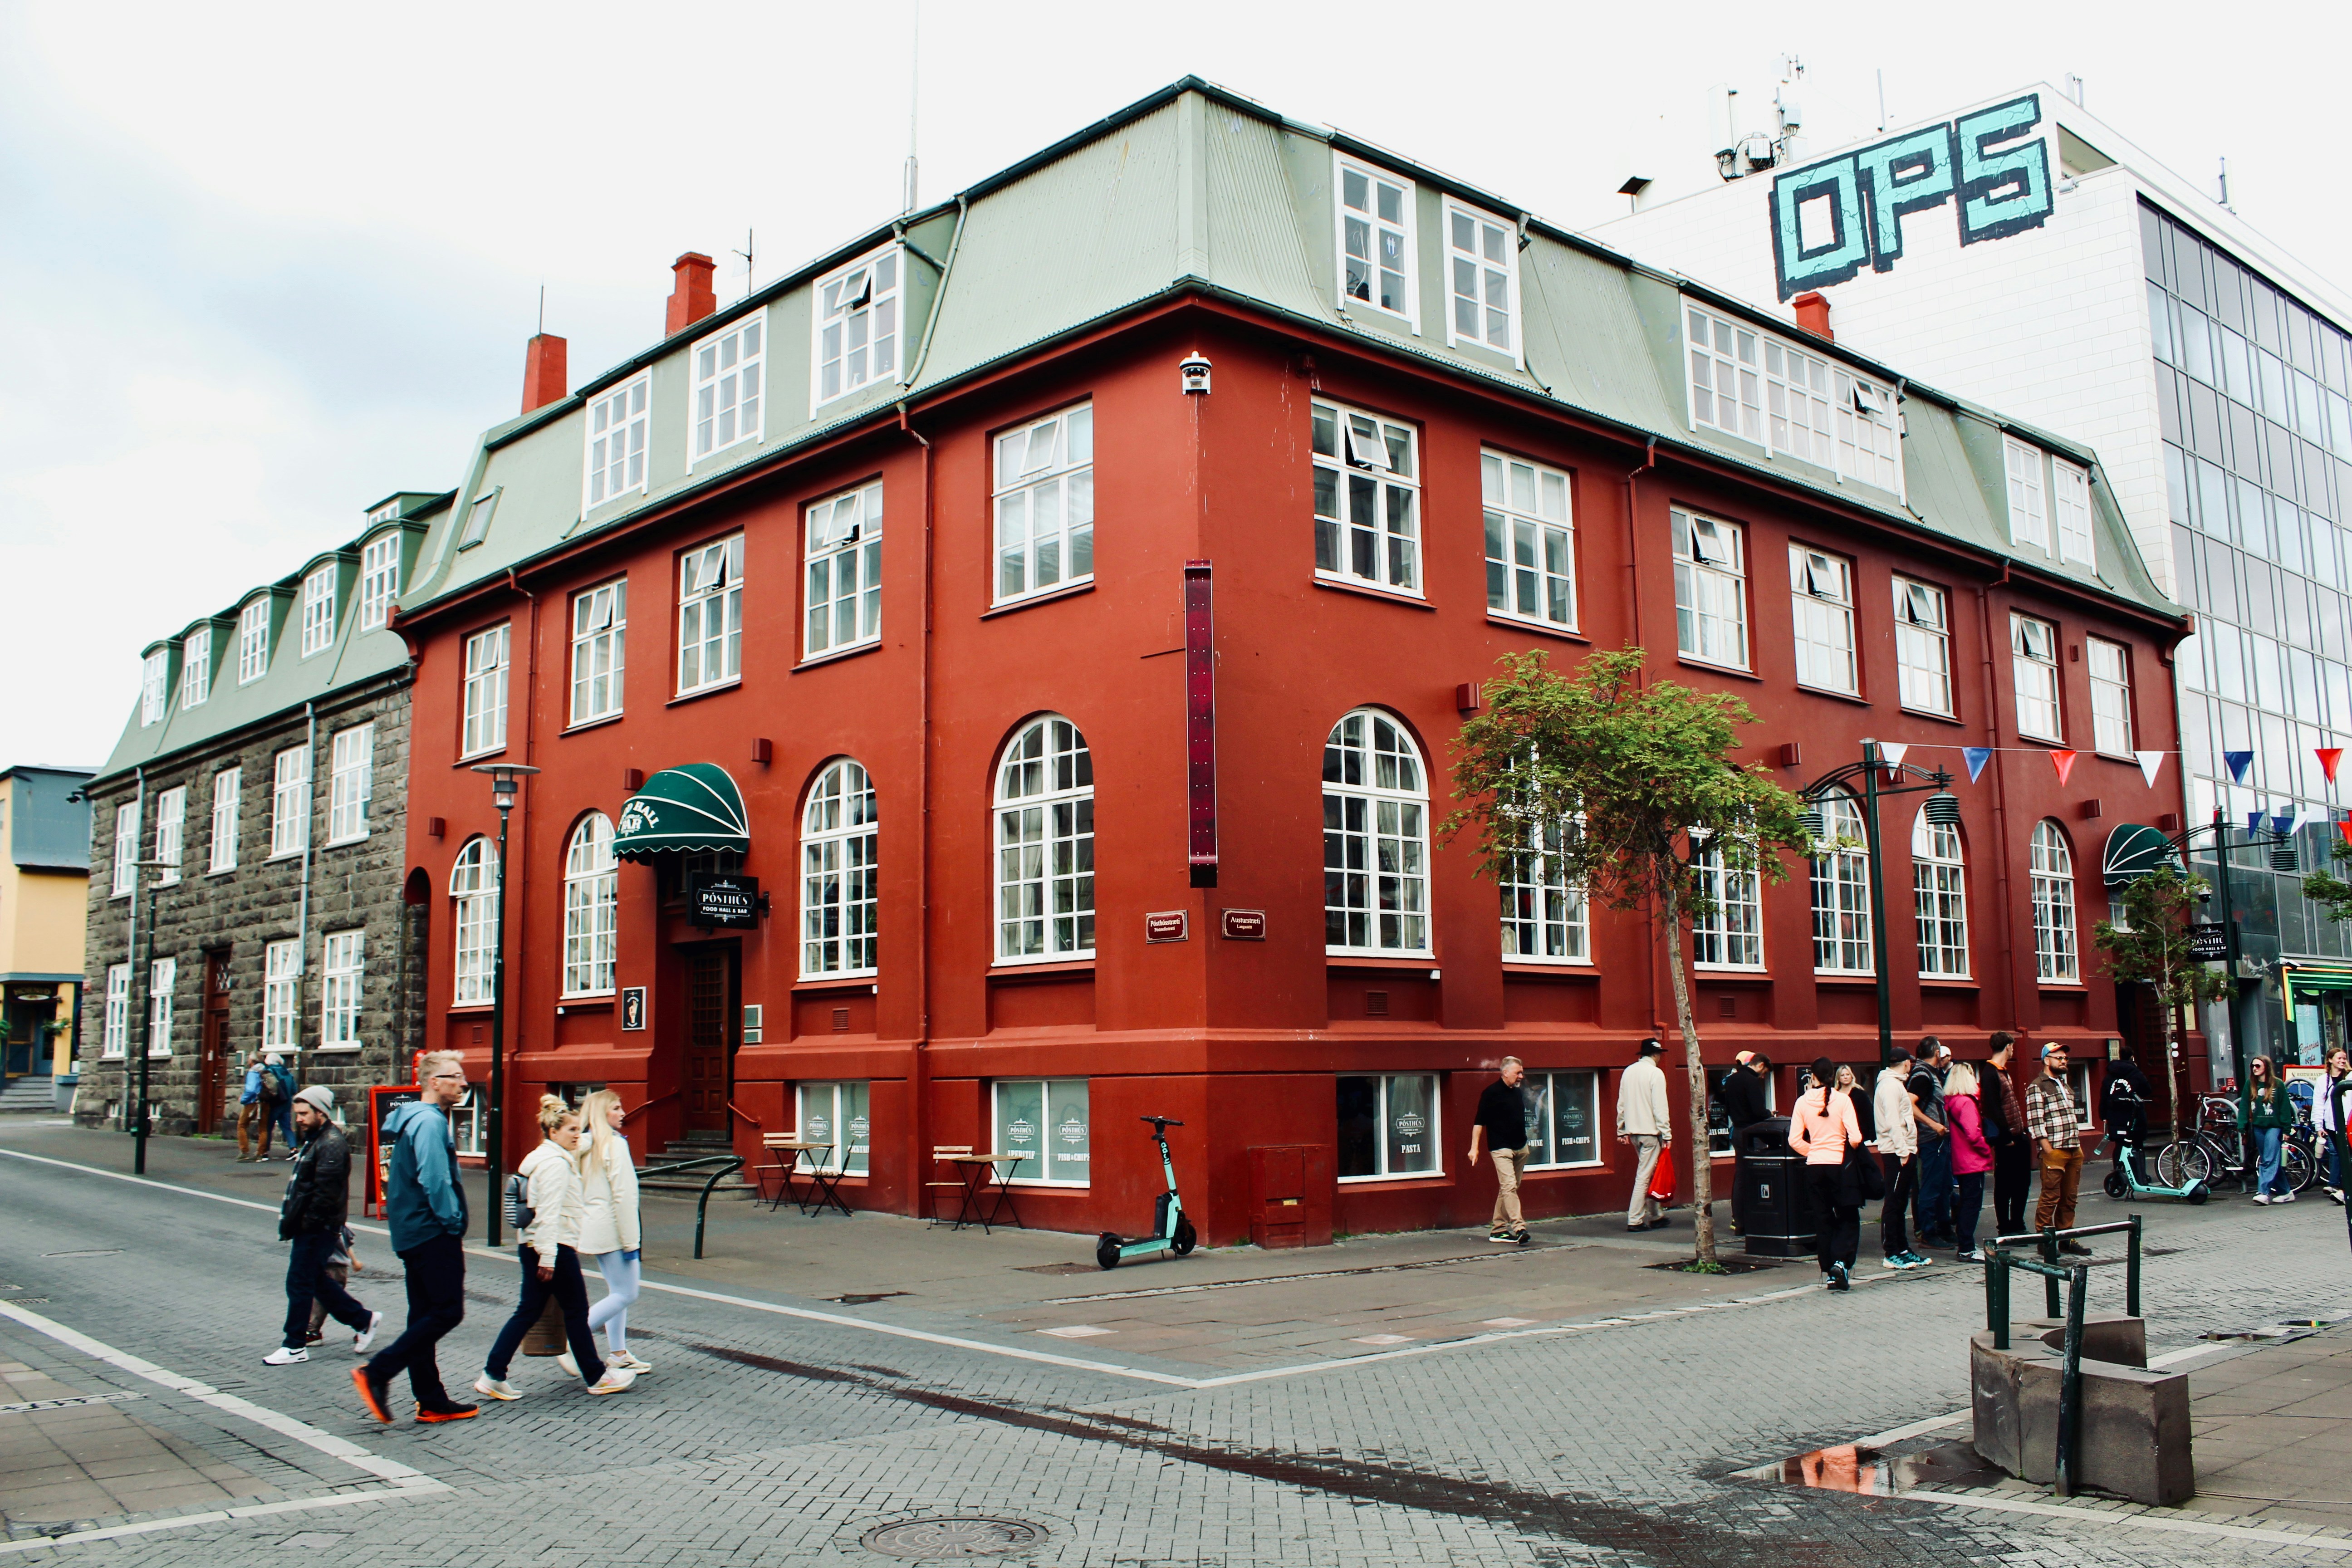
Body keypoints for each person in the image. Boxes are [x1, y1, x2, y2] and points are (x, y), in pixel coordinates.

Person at [475, 1097, 635, 1400]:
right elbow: (548, 1213)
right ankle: (597, 1376)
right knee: (575, 1311)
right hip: (553, 1247)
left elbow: (586, 1143)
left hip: (536, 1245)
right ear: (553, 1132)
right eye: (572, 1130)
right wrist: (549, 1257)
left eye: (579, 1129)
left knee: (528, 1311)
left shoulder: (546, 1157)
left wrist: (598, 1126)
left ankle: (493, 1374)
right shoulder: (556, 1166)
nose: (578, 1135)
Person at [355, 1051, 477, 1424]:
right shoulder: (429, 1121)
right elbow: (434, 1178)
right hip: (431, 1231)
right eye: (454, 1076)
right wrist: (453, 1220)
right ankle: (377, 1373)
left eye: (462, 1076)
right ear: (434, 1082)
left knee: (424, 1314)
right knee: (447, 1311)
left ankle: (431, 1399)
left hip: (411, 1231)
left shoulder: (412, 1118)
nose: (463, 1082)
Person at [266, 1087, 380, 1365]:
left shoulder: (331, 1143)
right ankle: (364, 1320)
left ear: (321, 1113)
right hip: (314, 1225)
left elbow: (325, 1194)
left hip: (318, 1227)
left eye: (305, 1114)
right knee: (315, 1280)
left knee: (299, 1282)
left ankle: (294, 1345)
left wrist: (306, 1224)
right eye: (298, 1114)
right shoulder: (317, 1138)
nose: (300, 1120)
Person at [571, 1088, 651, 1371]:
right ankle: (573, 1340)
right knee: (627, 1294)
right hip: (614, 1229)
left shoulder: (584, 1143)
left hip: (592, 1226)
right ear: (601, 1113)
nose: (622, 1113)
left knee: (616, 1292)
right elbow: (625, 1196)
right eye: (616, 1108)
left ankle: (618, 1354)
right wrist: (632, 1241)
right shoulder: (615, 1145)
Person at [1786, 1057, 1864, 1290]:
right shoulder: (1843, 1100)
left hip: (1815, 1167)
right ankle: (1842, 1262)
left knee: (1823, 1219)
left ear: (1813, 1076)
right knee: (1848, 1216)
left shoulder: (1801, 1102)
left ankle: (1829, 1270)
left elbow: (1794, 1140)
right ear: (1834, 1075)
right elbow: (1857, 1137)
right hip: (1840, 1167)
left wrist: (1813, 1152)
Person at [2026, 1043, 2090, 1252]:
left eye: (2066, 1059)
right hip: (2055, 1149)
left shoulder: (2064, 1084)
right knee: (2050, 1196)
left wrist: (2078, 1146)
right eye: (2059, 1058)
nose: (2064, 1061)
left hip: (2073, 1147)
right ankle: (2044, 1240)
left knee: (2070, 1196)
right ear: (2047, 1060)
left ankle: (2067, 1238)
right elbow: (2035, 1121)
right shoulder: (2038, 1085)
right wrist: (2048, 1149)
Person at [1467, 1057, 1534, 1246]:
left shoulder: (1518, 1093)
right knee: (1509, 1186)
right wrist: (1475, 1148)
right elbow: (1479, 1122)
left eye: (1522, 1072)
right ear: (1505, 1073)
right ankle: (1519, 1227)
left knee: (1509, 1188)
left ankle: (1498, 1230)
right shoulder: (1491, 1093)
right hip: (1500, 1148)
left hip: (1520, 1147)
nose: (1521, 1076)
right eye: (1518, 1073)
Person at [1872, 1049, 1925, 1269]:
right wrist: (1904, 1152)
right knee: (1894, 1203)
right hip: (1897, 1151)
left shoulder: (1893, 1084)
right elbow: (1894, 1122)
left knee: (1900, 1202)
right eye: (1909, 1063)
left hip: (1903, 1149)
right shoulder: (1890, 1086)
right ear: (1905, 1064)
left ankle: (1902, 1249)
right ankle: (1891, 1252)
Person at [1615, 1039, 1671, 1232]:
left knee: (1649, 1173)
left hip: (1634, 1132)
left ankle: (1656, 1215)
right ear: (1656, 1055)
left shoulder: (1629, 1071)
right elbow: (1660, 1107)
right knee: (1644, 1176)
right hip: (1651, 1132)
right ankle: (1635, 1220)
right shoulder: (1656, 1073)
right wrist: (1667, 1134)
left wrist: (1621, 1129)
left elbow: (1621, 1104)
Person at [1982, 1033, 2034, 1237]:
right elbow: (1992, 1109)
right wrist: (2006, 1138)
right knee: (2004, 1185)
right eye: (2012, 1046)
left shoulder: (2003, 1072)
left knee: (2022, 1183)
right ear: (2008, 1047)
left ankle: (2017, 1224)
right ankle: (2005, 1227)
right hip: (2008, 1139)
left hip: (2018, 1135)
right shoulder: (1990, 1073)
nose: (2013, 1050)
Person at [1945, 1063, 1995, 1262]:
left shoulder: (1952, 1102)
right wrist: (1986, 1150)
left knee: (1967, 1202)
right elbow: (1973, 1134)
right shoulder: (1966, 1103)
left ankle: (1966, 1244)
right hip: (1972, 1160)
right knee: (1972, 1204)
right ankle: (1966, 1247)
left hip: (1961, 1159)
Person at [1720, 1052, 1773, 1237]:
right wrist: (1770, 1115)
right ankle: (1757, 1218)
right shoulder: (1751, 1081)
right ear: (1760, 1066)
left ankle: (1739, 1220)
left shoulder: (1731, 1080)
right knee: (1757, 1176)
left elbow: (1727, 1107)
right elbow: (1758, 1111)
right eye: (1765, 1071)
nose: (1764, 1076)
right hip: (1752, 1133)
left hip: (1737, 1131)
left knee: (1741, 1176)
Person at [1909, 1039, 1955, 1249]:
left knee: (1944, 1186)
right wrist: (1934, 1125)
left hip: (1938, 1139)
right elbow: (1910, 1104)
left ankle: (1944, 1228)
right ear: (1937, 1052)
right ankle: (1928, 1232)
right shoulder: (1923, 1075)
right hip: (1931, 1140)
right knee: (1931, 1186)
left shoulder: (1928, 1072)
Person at [2239, 1054, 2296, 1204]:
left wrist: (2286, 1129)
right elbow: (2244, 1105)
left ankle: (2263, 1192)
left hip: (2274, 1127)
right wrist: (2242, 1125)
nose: (2254, 1069)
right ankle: (2286, 1192)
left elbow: (2285, 1108)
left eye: (2258, 1066)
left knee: (2269, 1160)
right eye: (2253, 1066)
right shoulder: (2249, 1084)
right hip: (2258, 1127)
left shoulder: (2278, 1084)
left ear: (2267, 1067)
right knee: (2269, 1160)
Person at [2317, 1047, 2351, 1204]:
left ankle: (2344, 1191)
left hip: (2348, 1124)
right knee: (2342, 1156)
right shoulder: (2323, 1080)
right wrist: (2319, 1126)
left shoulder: (2350, 1077)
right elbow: (2318, 1103)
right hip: (2332, 1124)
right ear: (2330, 1060)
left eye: (2344, 1059)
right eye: (2339, 1058)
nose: (2343, 1061)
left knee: (2348, 1157)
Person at [261, 1052, 296, 1160]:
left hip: (274, 1103)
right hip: (287, 1103)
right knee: (287, 1127)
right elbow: (294, 1090)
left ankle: (265, 1151)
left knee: (268, 1127)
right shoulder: (288, 1073)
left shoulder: (270, 1072)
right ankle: (293, 1149)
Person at [236, 1052, 270, 1162]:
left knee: (242, 1125)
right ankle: (260, 1154)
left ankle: (244, 1152)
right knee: (263, 1128)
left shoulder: (253, 1072)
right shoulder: (266, 1070)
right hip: (265, 1101)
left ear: (252, 1061)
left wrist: (243, 1099)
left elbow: (251, 1090)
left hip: (253, 1102)